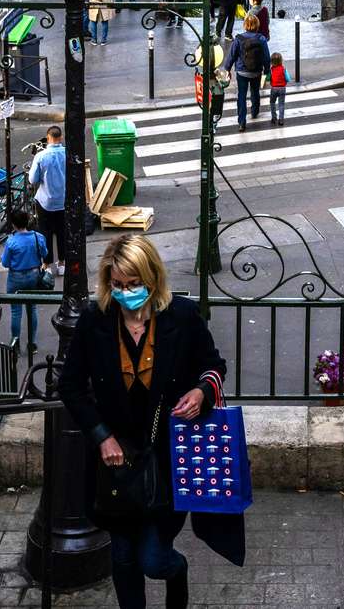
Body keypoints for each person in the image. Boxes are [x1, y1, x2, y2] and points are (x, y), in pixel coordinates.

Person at [59, 235, 237, 609]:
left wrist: (201, 392)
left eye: (133, 283)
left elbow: (213, 366)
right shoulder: (95, 320)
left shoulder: (182, 316)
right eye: (117, 284)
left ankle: (177, 572)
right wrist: (101, 436)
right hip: (116, 465)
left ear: (152, 279)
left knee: (153, 559)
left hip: (168, 462)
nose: (125, 292)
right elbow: (71, 386)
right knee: (123, 557)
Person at [0, 207, 50, 357]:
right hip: (34, 275)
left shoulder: (11, 241)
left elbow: (5, 263)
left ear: (13, 224)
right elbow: (45, 253)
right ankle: (32, 343)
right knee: (32, 308)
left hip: (16, 277)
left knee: (16, 311)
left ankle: (15, 343)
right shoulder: (38, 237)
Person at [28, 125, 68, 275]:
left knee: (46, 233)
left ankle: (47, 264)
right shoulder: (68, 153)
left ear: (48, 138)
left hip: (45, 202)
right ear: (61, 137)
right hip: (63, 200)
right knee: (62, 232)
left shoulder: (41, 156)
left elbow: (32, 179)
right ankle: (62, 263)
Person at [221, 13, 270, 132]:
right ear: (257, 25)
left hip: (242, 71)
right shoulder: (261, 39)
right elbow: (266, 57)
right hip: (256, 71)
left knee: (241, 96)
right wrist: (267, 70)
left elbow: (232, 55)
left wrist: (227, 69)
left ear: (245, 25)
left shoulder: (239, 39)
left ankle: (242, 122)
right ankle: (254, 111)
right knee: (255, 92)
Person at [268, 51, 289, 127]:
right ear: (281, 60)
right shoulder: (283, 69)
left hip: (274, 88)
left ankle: (274, 118)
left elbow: (268, 78)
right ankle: (281, 119)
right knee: (281, 104)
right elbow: (288, 78)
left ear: (271, 61)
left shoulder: (271, 69)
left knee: (272, 102)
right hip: (282, 88)